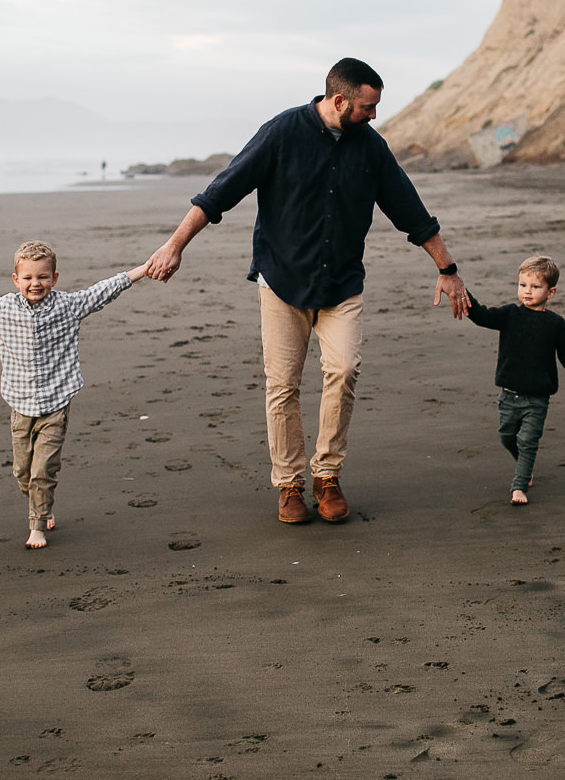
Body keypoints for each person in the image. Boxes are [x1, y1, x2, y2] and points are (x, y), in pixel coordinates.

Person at [145, 57, 471, 526]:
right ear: (339, 101)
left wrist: (448, 269)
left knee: (344, 369)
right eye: (367, 106)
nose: (374, 115)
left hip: (342, 283)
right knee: (283, 386)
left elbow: (409, 209)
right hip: (282, 282)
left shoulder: (371, 147)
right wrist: (175, 246)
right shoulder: (281, 133)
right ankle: (289, 485)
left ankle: (328, 476)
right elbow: (221, 192)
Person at [0, 241, 149, 548]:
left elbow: (105, 290)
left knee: (42, 471)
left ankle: (37, 524)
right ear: (16, 280)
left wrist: (144, 269)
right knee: (22, 472)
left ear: (55, 278)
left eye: (42, 277)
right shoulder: (2, 309)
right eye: (28, 277)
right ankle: (41, 502)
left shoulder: (69, 306)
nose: (35, 283)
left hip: (55, 404)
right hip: (20, 404)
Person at [465, 255, 565, 506]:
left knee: (527, 441)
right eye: (523, 285)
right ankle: (525, 466)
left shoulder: (555, 323)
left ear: (551, 292)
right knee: (507, 436)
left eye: (535, 286)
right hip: (508, 395)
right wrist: (461, 293)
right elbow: (481, 315)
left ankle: (519, 486)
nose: (527, 291)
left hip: (537, 398)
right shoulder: (509, 314)